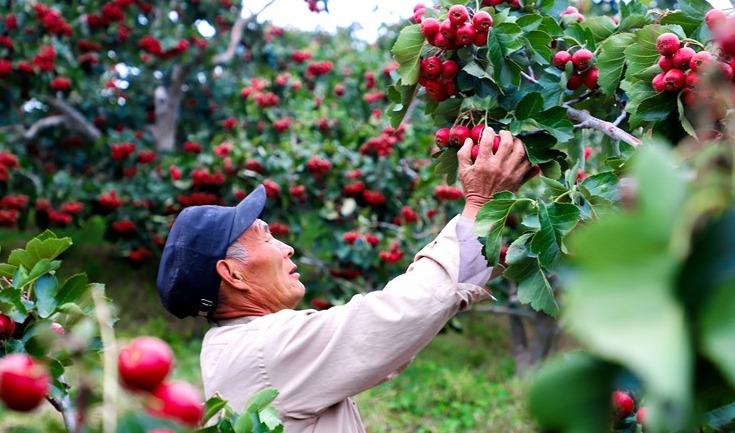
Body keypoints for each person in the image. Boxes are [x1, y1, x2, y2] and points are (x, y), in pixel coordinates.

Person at [156, 129, 533, 432]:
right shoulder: (265, 350)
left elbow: (384, 343)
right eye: (266, 237)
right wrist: (481, 204)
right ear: (232, 273)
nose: (286, 248)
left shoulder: (235, 346)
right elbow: (396, 317)